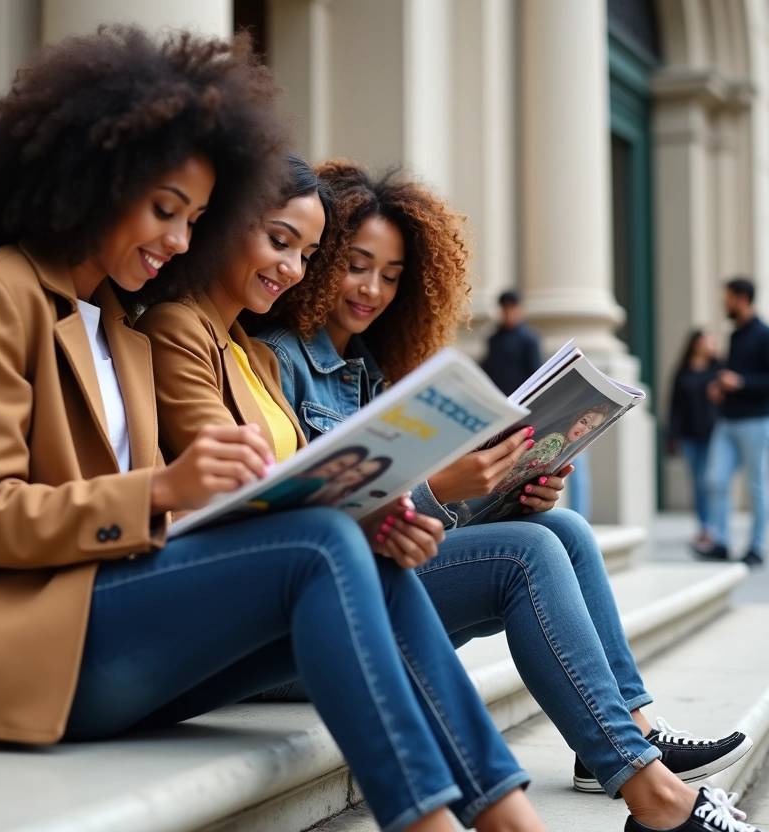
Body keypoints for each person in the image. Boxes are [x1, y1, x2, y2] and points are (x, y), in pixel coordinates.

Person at [0, 31, 542, 832]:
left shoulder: (121, 329)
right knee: (323, 548)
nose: (178, 241)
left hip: (123, 623)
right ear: (96, 178)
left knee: (367, 558)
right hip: (35, 638)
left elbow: (169, 526)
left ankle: (510, 819)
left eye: (195, 219)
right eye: (164, 210)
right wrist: (163, 487)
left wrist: (369, 511)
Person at [256, 162, 765, 832]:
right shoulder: (278, 360)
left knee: (565, 532)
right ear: (321, 263)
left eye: (392, 274)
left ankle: (631, 732)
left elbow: (402, 515)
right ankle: (657, 803)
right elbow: (312, 530)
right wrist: (441, 490)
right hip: (313, 629)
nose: (373, 289)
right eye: (356, 265)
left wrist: (513, 488)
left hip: (381, 592)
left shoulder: (374, 374)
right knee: (526, 555)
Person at [137, 154, 545, 832]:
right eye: (280, 242)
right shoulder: (179, 328)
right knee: (350, 548)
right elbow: (237, 489)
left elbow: (288, 490)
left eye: (307, 253)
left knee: (385, 553)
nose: (294, 270)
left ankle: (510, 819)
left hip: (273, 586)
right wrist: (378, 507)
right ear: (227, 227)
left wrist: (385, 514)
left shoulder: (252, 354)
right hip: (212, 597)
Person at [693, 278, 769, 567]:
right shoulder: (735, 335)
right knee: (715, 479)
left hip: (759, 421)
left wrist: (742, 382)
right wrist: (721, 387)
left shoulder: (768, 335)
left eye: (728, 298)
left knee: (756, 484)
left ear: (742, 298)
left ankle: (757, 547)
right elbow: (734, 377)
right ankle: (720, 542)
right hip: (729, 420)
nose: (725, 304)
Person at [668, 329, 723, 545]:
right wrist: (672, 435)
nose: (710, 344)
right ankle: (704, 526)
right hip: (689, 435)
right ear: (696, 343)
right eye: (706, 340)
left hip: (713, 433)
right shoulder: (683, 371)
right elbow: (674, 405)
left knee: (710, 480)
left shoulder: (718, 369)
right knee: (698, 482)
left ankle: (714, 527)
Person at [481, 289, 544, 395]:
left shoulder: (529, 338)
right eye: (505, 308)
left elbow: (535, 371)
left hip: (520, 396)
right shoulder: (494, 339)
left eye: (512, 308)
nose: (508, 313)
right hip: (499, 396)